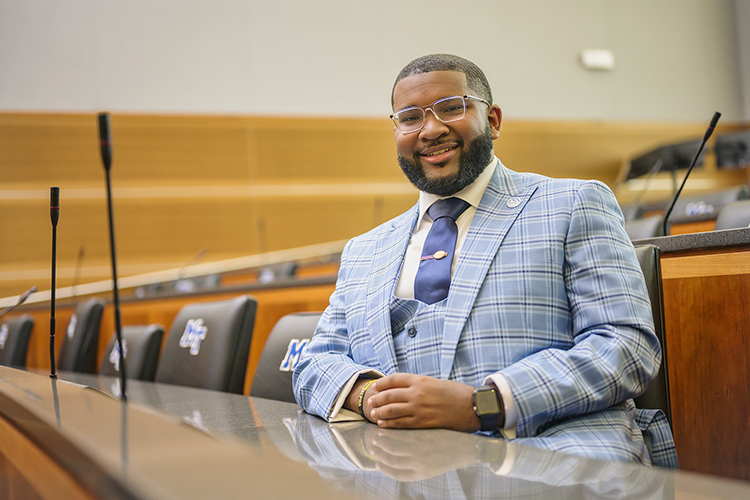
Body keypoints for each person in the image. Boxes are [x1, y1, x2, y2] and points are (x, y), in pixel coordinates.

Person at [293, 54, 673, 466]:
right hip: (399, 471)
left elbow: (627, 348)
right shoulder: (365, 249)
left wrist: (483, 404)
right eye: (409, 117)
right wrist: (367, 396)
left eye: (452, 107)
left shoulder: (574, 203)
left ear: (492, 120)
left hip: (552, 461)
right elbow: (314, 362)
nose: (431, 129)